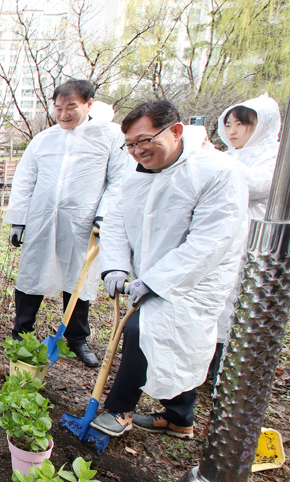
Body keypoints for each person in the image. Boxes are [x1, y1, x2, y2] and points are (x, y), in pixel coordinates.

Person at [90, 100, 248, 439]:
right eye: (130, 145)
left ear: (175, 131)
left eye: (144, 140)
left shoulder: (216, 171)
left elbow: (210, 241)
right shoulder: (138, 175)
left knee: (145, 332)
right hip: (151, 274)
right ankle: (179, 418)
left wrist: (158, 281)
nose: (137, 151)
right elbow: (116, 221)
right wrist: (115, 267)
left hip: (197, 279)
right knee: (163, 340)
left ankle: (119, 410)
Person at [5, 79, 131, 367]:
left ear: (89, 104)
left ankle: (76, 338)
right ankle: (21, 331)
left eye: (71, 107)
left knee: (78, 276)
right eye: (58, 108)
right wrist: (18, 221)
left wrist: (104, 216)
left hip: (83, 221)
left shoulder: (109, 137)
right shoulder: (44, 139)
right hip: (42, 218)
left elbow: (118, 181)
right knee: (32, 273)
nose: (63, 114)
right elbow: (25, 179)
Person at [208, 94, 282, 382]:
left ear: (262, 125)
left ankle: (230, 365)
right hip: (223, 236)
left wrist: (217, 160)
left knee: (241, 299)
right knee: (218, 296)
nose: (233, 131)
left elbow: (258, 186)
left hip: (255, 238)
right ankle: (211, 359)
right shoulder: (229, 155)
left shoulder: (272, 155)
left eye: (241, 124)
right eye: (229, 124)